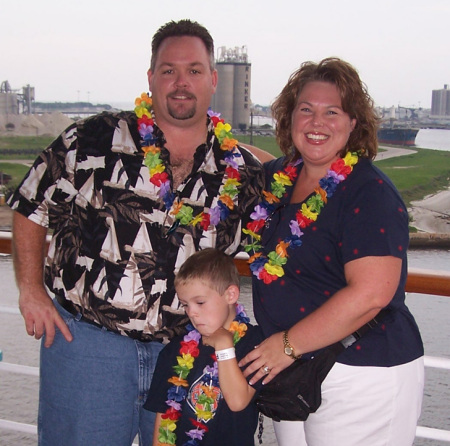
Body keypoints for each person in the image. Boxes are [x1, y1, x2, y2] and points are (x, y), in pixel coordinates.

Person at [7, 19, 268, 446]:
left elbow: (292, 223)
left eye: (194, 71)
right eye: (169, 70)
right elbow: (30, 202)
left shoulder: (240, 172)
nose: (181, 83)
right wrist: (30, 289)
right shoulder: (93, 139)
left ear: (214, 79)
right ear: (151, 78)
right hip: (89, 346)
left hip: (188, 353)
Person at [239, 57, 424, 446]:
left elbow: (372, 294)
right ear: (289, 119)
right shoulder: (280, 179)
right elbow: (238, 159)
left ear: (353, 122)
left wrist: (287, 345)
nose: (316, 122)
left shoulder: (368, 192)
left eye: (332, 111)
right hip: (295, 374)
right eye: (305, 110)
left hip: (361, 373)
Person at [144, 248, 264, 445]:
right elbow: (163, 418)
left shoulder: (255, 343)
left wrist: (224, 345)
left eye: (200, 302)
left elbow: (237, 401)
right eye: (185, 305)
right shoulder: (175, 349)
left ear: (231, 294)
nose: (192, 313)